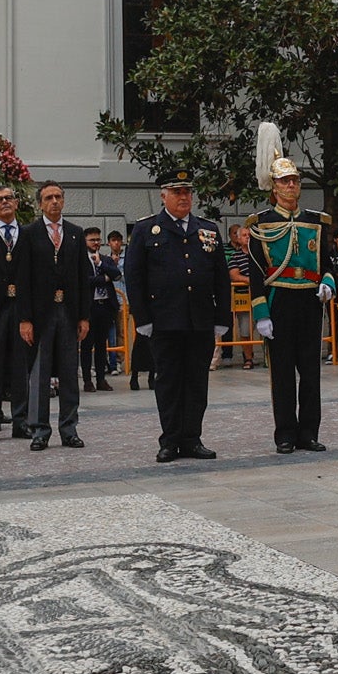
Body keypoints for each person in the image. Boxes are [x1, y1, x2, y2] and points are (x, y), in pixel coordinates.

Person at [129, 170, 226, 460]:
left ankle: (192, 438)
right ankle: (170, 440)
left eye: (187, 192)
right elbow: (134, 277)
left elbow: (220, 277)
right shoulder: (147, 230)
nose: (183, 197)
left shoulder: (207, 229)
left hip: (199, 320)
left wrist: (222, 317)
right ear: (164, 195)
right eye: (177, 192)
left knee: (197, 381)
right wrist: (142, 318)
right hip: (164, 320)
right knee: (169, 381)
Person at [239, 155, 333, 453]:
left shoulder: (315, 222)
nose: (291, 185)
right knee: (281, 373)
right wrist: (260, 311)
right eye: (284, 181)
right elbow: (255, 273)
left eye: (294, 180)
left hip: (309, 300)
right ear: (274, 187)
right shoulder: (261, 224)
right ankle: (285, 434)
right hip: (278, 299)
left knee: (310, 370)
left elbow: (327, 264)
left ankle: (309, 433)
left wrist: (328, 283)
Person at [17, 181, 95, 449]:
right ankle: (39, 430)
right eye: (49, 198)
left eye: (58, 197)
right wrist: (24, 318)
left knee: (69, 372)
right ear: (40, 203)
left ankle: (69, 428)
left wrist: (84, 316)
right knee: (40, 373)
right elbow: (23, 278)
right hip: (41, 313)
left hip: (69, 312)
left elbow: (84, 278)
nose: (54, 202)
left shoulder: (75, 233)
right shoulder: (29, 234)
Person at [0, 184, 34, 441]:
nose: (4, 202)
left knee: (20, 366)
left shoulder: (28, 234)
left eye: (9, 198)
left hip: (21, 309)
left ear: (16, 202)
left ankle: (20, 420)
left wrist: (28, 316)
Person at [86, 230, 125, 390]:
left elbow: (117, 275)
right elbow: (84, 281)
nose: (95, 242)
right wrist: (103, 278)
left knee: (102, 344)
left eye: (98, 239)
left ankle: (102, 379)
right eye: (91, 240)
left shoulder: (106, 259)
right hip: (89, 307)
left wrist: (101, 265)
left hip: (106, 306)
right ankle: (88, 380)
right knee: (87, 345)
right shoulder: (81, 260)